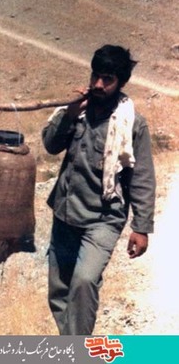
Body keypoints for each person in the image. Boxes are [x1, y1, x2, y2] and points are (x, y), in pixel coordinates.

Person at [42, 45, 155, 335]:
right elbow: (50, 145)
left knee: (84, 282)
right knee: (59, 291)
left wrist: (141, 227)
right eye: (95, 76)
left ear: (121, 82)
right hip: (66, 213)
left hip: (103, 219)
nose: (98, 85)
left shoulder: (132, 124)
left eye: (108, 79)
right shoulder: (77, 111)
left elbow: (142, 177)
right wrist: (68, 115)